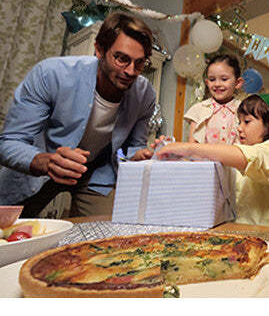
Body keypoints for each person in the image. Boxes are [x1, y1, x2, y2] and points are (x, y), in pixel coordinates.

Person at [0, 12, 157, 217]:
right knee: (10, 231)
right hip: (40, 166)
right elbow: (9, 142)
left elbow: (131, 148)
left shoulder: (145, 95)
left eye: (140, 63)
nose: (131, 71)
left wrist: (137, 156)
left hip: (96, 174)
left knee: (107, 231)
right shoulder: (52, 74)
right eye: (121, 59)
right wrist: (47, 161)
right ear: (99, 50)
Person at [158, 88, 269, 229]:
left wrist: (188, 148)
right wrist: (172, 156)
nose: (239, 128)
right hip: (246, 231)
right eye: (239, 122)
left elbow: (250, 158)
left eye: (247, 122)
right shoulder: (240, 154)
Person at [184, 54, 243, 144]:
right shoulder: (199, 109)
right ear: (207, 83)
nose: (217, 84)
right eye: (212, 79)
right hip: (203, 153)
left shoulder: (243, 109)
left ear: (237, 83)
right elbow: (192, 145)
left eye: (224, 79)